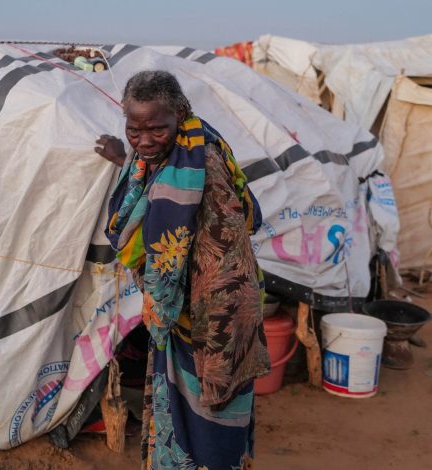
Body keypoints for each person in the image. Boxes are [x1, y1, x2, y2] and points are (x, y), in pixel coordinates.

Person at [95, 70, 270, 470]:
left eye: (156, 128)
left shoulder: (195, 164)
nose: (144, 141)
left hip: (215, 314)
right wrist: (125, 158)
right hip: (211, 308)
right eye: (134, 130)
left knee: (209, 408)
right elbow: (158, 184)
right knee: (197, 404)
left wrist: (160, 308)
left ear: (180, 113)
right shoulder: (191, 142)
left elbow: (168, 236)